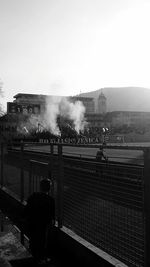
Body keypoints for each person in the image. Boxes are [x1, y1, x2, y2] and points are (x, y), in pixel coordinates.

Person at [24, 178, 55, 264]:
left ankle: (33, 254)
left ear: (40, 187)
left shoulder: (33, 196)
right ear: (49, 188)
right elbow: (51, 215)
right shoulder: (50, 200)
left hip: (32, 222)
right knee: (42, 241)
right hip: (43, 224)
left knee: (33, 238)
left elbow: (27, 209)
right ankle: (40, 258)